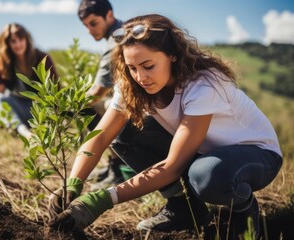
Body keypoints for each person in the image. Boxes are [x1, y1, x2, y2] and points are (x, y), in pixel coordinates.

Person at [49, 14, 283, 239]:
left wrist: (102, 200)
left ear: (172, 55)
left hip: (256, 154)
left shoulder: (203, 84)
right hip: (203, 152)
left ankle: (243, 209)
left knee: (206, 176)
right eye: (132, 68)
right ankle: (184, 209)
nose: (140, 77)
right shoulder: (133, 84)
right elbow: (100, 137)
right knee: (123, 133)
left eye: (148, 66)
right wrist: (73, 183)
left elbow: (173, 166)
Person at [77, 0, 129, 191]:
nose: (90, 30)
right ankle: (113, 165)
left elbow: (98, 92)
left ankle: (117, 170)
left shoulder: (116, 40)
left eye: (93, 23)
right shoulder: (120, 31)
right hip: (132, 103)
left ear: (109, 15)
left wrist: (69, 105)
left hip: (138, 109)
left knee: (86, 106)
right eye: (86, 26)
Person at [0, 23, 58, 139]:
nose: (18, 44)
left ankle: (32, 129)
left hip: (41, 110)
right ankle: (24, 133)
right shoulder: (3, 65)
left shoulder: (42, 58)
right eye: (13, 41)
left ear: (26, 39)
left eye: (20, 39)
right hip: (18, 111)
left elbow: (55, 90)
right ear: (7, 44)